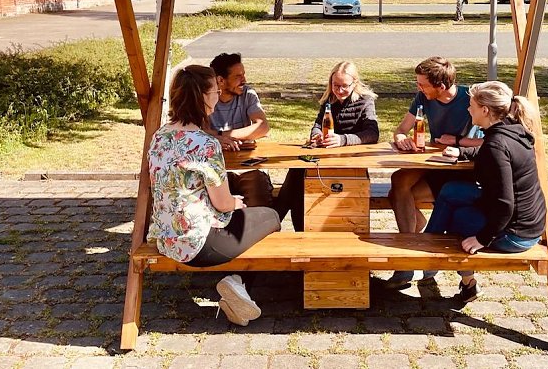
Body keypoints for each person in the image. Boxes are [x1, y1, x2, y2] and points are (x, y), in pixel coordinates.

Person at [147, 65, 281, 326]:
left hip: (167, 241)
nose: (218, 96)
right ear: (203, 98)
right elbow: (222, 202)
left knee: (247, 219)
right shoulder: (206, 144)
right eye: (215, 91)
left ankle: (238, 284)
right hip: (202, 245)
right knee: (271, 216)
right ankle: (237, 282)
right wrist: (236, 203)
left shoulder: (159, 136)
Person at [423, 80, 546, 303]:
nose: (468, 109)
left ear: (485, 110)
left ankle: (435, 262)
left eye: (471, 105)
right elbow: (487, 152)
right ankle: (427, 248)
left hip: (516, 233)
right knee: (451, 190)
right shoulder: (511, 130)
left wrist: (482, 238)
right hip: (528, 220)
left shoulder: (496, 145)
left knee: (457, 218)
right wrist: (462, 152)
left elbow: (505, 203)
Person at [386, 56, 482, 288]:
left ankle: (415, 251)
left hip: (461, 167)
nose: (418, 88)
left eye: (422, 84)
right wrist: (402, 139)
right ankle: (409, 251)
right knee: (398, 180)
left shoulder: (470, 99)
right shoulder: (423, 97)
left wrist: (458, 141)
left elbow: (489, 140)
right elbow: (400, 129)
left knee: (399, 197)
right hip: (433, 163)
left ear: (441, 86)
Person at [275, 61, 379, 231]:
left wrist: (342, 139)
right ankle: (297, 228)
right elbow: (317, 124)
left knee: (297, 182)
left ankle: (277, 219)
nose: (339, 90)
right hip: (325, 157)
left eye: (344, 86)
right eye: (335, 85)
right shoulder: (329, 100)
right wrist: (316, 135)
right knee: (297, 171)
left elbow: (372, 133)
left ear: (355, 83)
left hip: (351, 161)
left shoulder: (365, 101)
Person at [209, 53, 274, 208]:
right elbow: (199, 130)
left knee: (258, 193)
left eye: (244, 74)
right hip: (215, 167)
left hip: (245, 166)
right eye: (238, 76)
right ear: (221, 81)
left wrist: (222, 136)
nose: (244, 80)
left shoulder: (248, 94)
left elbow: (262, 127)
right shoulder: (207, 97)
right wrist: (220, 138)